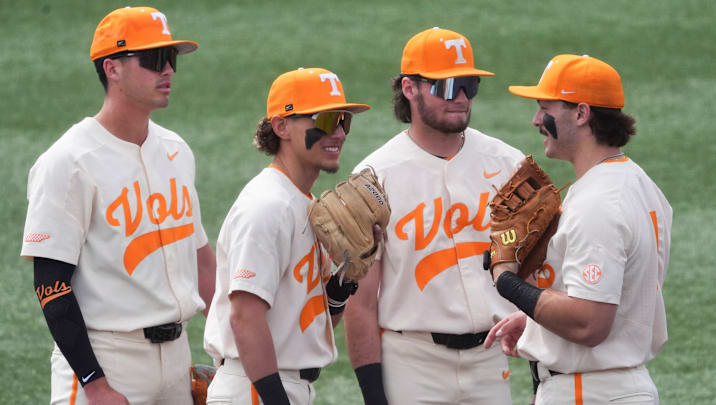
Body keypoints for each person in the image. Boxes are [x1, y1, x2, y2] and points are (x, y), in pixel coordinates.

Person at [20, 7, 216, 405]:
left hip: (177, 360)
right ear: (112, 69)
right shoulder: (69, 161)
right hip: (107, 360)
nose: (168, 71)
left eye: (171, 59)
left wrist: (230, 350)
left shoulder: (177, 151)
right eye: (153, 60)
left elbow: (202, 260)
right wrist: (95, 382)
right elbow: (50, 284)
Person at [344, 27, 525, 405]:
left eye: (469, 85)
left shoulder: (509, 164)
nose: (461, 98)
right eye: (447, 86)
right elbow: (360, 303)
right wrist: (375, 397)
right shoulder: (372, 177)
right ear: (409, 88)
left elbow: (540, 273)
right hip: (411, 364)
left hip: (491, 362)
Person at [483, 54, 672, 405]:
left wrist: (508, 284)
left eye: (545, 108)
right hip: (614, 386)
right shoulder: (637, 183)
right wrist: (538, 323)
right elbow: (615, 296)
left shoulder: (598, 204)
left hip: (590, 391)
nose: (536, 119)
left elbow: (589, 323)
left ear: (582, 114)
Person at [203, 67, 370, 405]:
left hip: (281, 386)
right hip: (256, 388)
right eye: (324, 121)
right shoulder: (267, 205)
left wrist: (341, 287)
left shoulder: (307, 205)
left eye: (343, 121)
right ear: (281, 126)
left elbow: (306, 325)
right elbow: (245, 317)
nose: (338, 133)